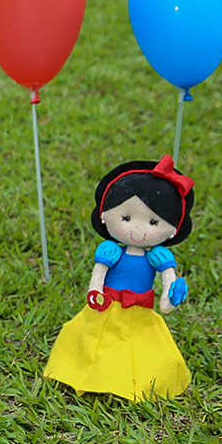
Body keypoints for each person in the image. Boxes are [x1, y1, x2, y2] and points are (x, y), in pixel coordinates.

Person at [44, 155, 196, 401]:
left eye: (153, 222)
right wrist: (95, 292)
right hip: (107, 307)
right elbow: (99, 275)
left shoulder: (158, 256)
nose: (138, 230)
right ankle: (92, 374)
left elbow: (168, 281)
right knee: (94, 340)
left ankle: (139, 382)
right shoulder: (110, 251)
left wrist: (170, 295)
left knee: (144, 348)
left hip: (141, 311)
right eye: (126, 218)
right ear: (106, 215)